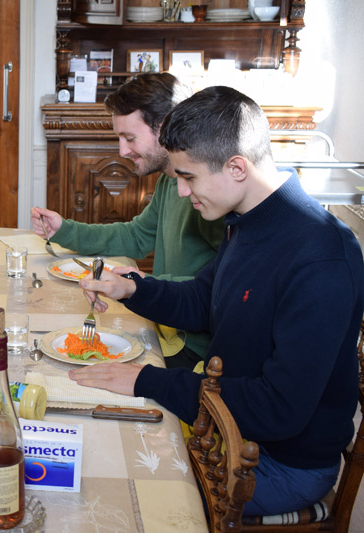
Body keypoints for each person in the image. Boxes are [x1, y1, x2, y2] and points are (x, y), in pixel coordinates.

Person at [71, 86, 364, 516]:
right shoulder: (246, 220)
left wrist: (147, 380)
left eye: (188, 177)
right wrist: (134, 287)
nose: (183, 193)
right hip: (225, 424)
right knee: (94, 440)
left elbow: (278, 409)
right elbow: (204, 298)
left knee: (120, 500)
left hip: (276, 461)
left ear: (237, 167)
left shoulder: (321, 259)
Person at [31, 72, 224, 369]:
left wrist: (139, 286)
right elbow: (136, 237)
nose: (122, 151)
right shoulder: (168, 182)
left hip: (191, 349)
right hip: (163, 324)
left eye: (130, 138)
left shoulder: (209, 196)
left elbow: (222, 289)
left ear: (165, 127)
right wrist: (65, 229)